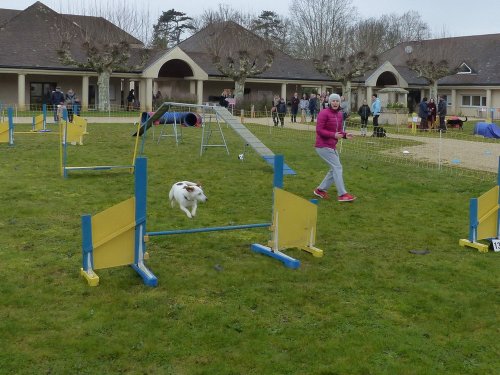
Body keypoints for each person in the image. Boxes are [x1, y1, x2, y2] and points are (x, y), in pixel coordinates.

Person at [313, 93, 356, 202]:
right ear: (330, 102)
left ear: (339, 103)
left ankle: (320, 190)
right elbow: (319, 130)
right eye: (333, 101)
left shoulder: (340, 114)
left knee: (334, 169)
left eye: (337, 101)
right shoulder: (323, 113)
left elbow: (339, 131)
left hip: (331, 145)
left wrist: (345, 135)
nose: (335, 103)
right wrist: (333, 135)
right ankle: (342, 194)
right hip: (322, 145)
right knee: (337, 167)